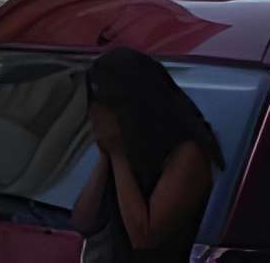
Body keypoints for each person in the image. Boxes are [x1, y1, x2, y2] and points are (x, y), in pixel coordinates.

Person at [71, 46, 221, 261]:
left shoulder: (187, 153)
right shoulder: (128, 149)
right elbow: (84, 221)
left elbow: (144, 237)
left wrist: (117, 152)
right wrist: (105, 153)